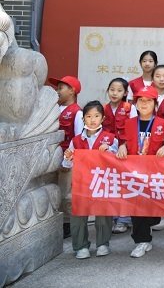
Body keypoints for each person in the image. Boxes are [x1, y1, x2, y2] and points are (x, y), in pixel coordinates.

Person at [117, 85, 164, 258]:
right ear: (136, 104)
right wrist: (123, 146)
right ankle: (142, 241)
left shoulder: (163, 123)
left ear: (155, 104)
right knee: (137, 207)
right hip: (135, 172)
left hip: (156, 173)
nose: (144, 104)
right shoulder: (129, 123)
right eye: (141, 100)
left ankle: (149, 226)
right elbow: (124, 141)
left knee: (153, 210)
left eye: (148, 101)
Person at [62, 101, 117, 259]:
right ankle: (81, 246)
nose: (93, 120)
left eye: (96, 116)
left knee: (103, 213)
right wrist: (68, 157)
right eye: (89, 116)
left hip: (102, 182)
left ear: (103, 118)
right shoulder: (76, 141)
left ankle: (103, 243)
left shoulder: (110, 139)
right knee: (78, 214)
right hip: (82, 183)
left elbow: (118, 161)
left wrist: (109, 151)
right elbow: (66, 164)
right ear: (83, 119)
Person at [50, 74, 83, 239]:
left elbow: (78, 139)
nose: (57, 91)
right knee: (54, 190)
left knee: (65, 193)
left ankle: (67, 224)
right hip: (52, 157)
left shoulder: (78, 112)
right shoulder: (53, 109)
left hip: (66, 159)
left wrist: (68, 160)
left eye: (61, 88)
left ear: (72, 91)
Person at [103, 78, 133, 235]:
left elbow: (133, 129)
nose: (115, 93)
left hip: (125, 152)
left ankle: (124, 219)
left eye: (119, 90)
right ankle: (112, 218)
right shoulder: (102, 108)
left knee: (125, 185)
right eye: (112, 90)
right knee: (110, 185)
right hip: (107, 152)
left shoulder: (130, 108)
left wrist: (124, 145)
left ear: (125, 93)